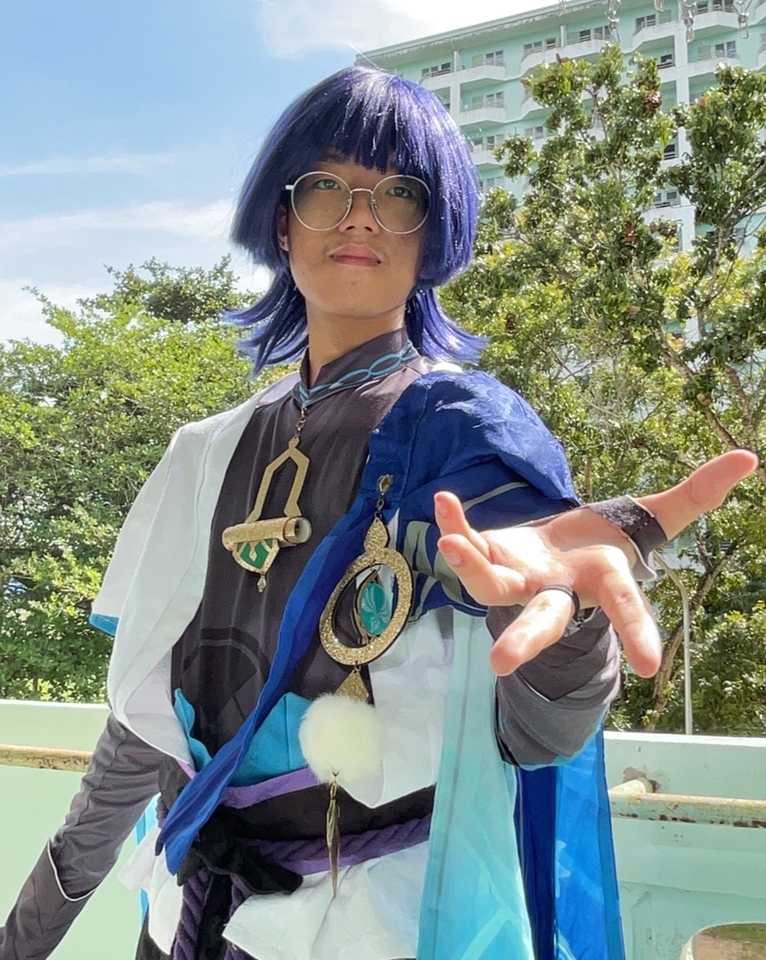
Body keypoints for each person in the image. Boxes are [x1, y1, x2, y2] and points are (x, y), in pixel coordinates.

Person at [0, 66, 754, 960]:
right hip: (186, 917)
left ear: (432, 236)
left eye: (399, 193)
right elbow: (142, 737)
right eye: (327, 186)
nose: (360, 215)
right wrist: (24, 938)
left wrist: (573, 624)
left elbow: (538, 735)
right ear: (284, 222)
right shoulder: (202, 453)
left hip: (381, 928)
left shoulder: (472, 435)